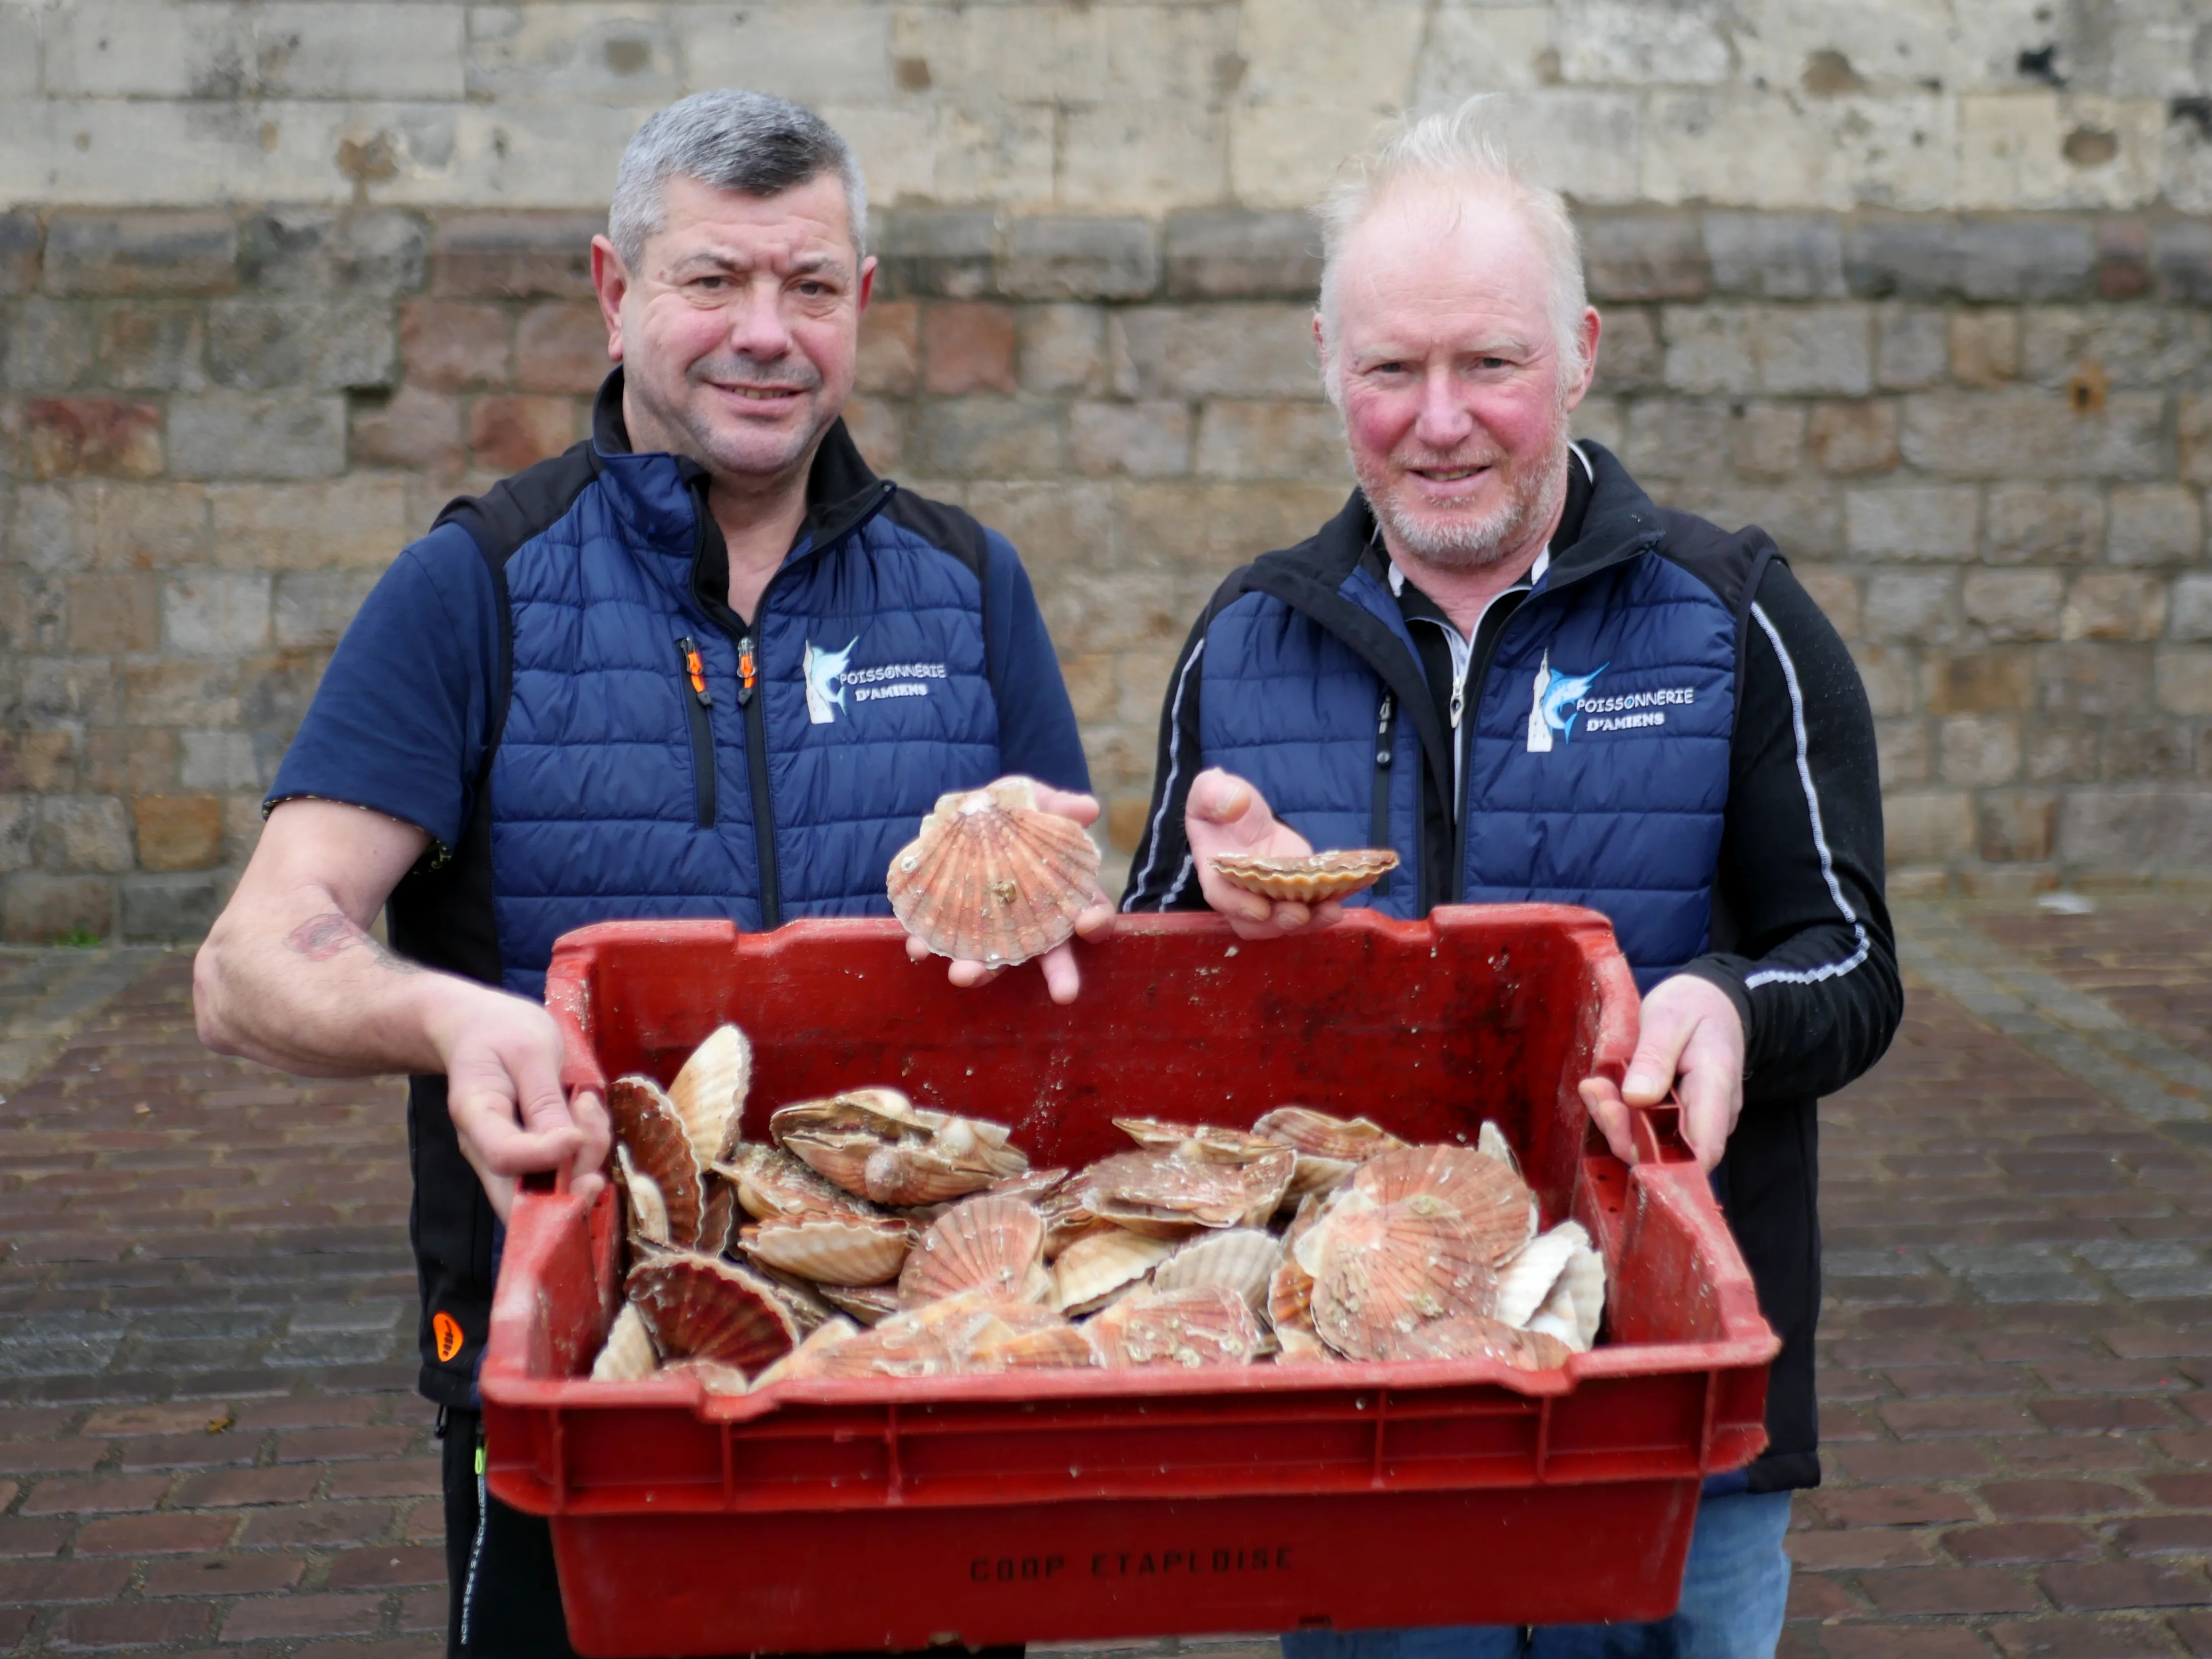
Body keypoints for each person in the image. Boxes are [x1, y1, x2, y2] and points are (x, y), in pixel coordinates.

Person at [193, 90, 1091, 1659]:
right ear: (615, 295)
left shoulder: (966, 586)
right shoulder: (476, 583)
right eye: (711, 281)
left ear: (862, 307)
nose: (766, 332)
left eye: (810, 287)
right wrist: (451, 1023)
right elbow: (252, 958)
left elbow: (1069, 953)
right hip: (583, 1378)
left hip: (909, 1372)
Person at [1121, 101, 1901, 1659]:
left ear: (1583, 351)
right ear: (1326, 366)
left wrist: (1731, 1001)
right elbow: (1145, 1009)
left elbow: (1852, 958)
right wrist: (1207, 932)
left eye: (1491, 363)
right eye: (1390, 369)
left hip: (1673, 1398)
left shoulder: (1733, 614)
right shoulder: (1246, 635)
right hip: (1365, 1415)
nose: (1439, 419)